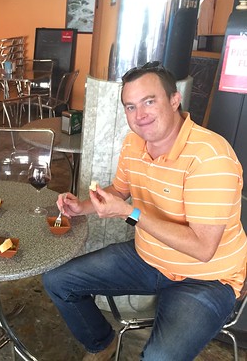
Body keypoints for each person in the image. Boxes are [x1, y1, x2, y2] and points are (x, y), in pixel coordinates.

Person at [42, 62, 247, 360]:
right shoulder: (135, 142)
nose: (140, 116)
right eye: (130, 107)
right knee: (57, 281)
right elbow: (118, 191)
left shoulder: (210, 157)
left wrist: (129, 213)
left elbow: (203, 248)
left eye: (149, 102)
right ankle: (102, 343)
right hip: (148, 258)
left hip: (207, 279)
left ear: (174, 100)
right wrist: (80, 207)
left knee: (158, 357)